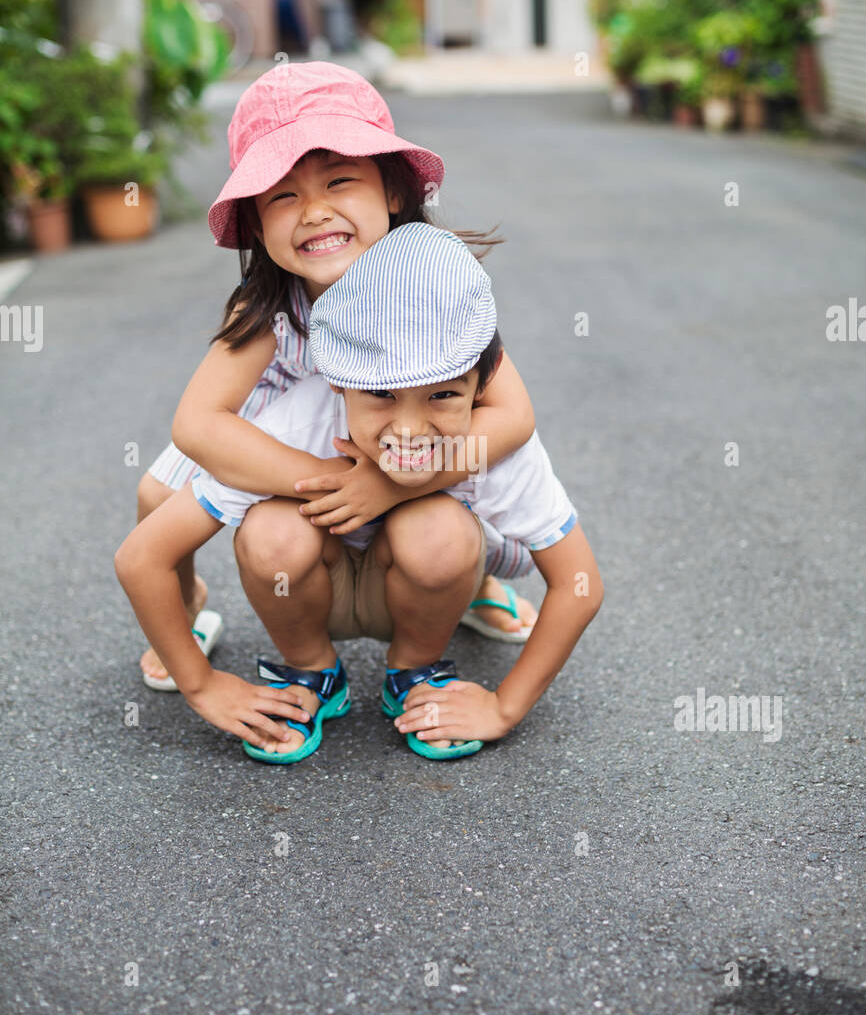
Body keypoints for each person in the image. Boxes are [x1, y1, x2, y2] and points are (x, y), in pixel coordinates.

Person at [115, 223, 603, 763]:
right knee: (273, 529)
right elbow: (141, 558)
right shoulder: (292, 426)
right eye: (380, 394)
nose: (411, 430)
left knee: (437, 531)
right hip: (316, 583)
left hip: (417, 580)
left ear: (484, 381)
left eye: (442, 393)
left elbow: (579, 584)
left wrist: (504, 708)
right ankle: (311, 670)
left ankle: (416, 670)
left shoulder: (494, 444)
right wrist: (203, 686)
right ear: (335, 380)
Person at [137, 60, 540, 692]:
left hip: (408, 443)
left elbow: (511, 416)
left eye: (340, 181)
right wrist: (334, 482)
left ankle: (473, 586)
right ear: (255, 221)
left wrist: (387, 485)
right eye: (284, 195)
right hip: (301, 439)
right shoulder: (268, 305)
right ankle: (185, 606)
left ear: (393, 192)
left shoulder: (434, 287)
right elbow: (198, 423)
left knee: (452, 524)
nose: (315, 212)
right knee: (156, 500)